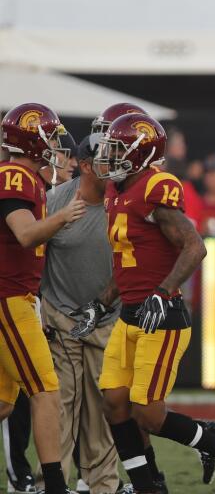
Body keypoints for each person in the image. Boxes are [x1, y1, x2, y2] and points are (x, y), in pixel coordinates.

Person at [85, 113, 215, 494]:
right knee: (114, 404)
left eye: (116, 149)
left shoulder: (155, 187)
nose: (108, 157)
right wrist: (101, 301)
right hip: (129, 314)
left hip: (162, 317)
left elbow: (195, 247)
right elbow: (131, 263)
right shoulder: (116, 191)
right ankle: (148, 487)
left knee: (147, 414)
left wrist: (163, 291)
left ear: (140, 154)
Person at [0, 103, 86, 494]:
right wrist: (62, 217)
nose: (56, 146)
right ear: (33, 140)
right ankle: (55, 484)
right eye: (50, 137)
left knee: (3, 403)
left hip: (15, 295)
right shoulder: (15, 177)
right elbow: (25, 234)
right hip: (8, 297)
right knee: (46, 389)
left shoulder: (28, 178)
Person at [39, 134, 121, 493]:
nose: (118, 165)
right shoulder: (55, 200)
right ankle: (51, 485)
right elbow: (29, 251)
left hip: (107, 323)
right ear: (86, 164)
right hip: (63, 320)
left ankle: (103, 486)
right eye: (109, 158)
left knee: (104, 414)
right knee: (59, 412)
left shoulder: (124, 201)